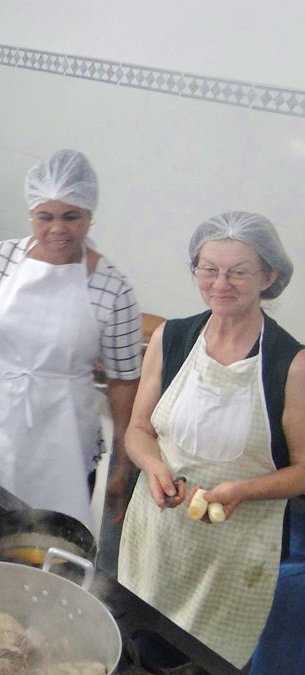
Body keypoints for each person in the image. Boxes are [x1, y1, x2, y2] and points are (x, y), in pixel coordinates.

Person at [118, 212, 304, 668]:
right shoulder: (173, 337)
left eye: (238, 272)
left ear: (269, 275)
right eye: (209, 268)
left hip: (233, 556)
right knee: (138, 649)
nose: (221, 282)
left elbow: (302, 471)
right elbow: (139, 430)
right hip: (157, 537)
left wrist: (238, 491)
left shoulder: (291, 364)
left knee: (204, 662)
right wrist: (154, 467)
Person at [0, 149, 142, 528]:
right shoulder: (1, 257)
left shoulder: (112, 287)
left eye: (72, 217)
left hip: (63, 435)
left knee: (50, 535)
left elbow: (124, 381)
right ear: (31, 213)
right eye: (45, 217)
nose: (57, 229)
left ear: (90, 214)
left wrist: (123, 463)